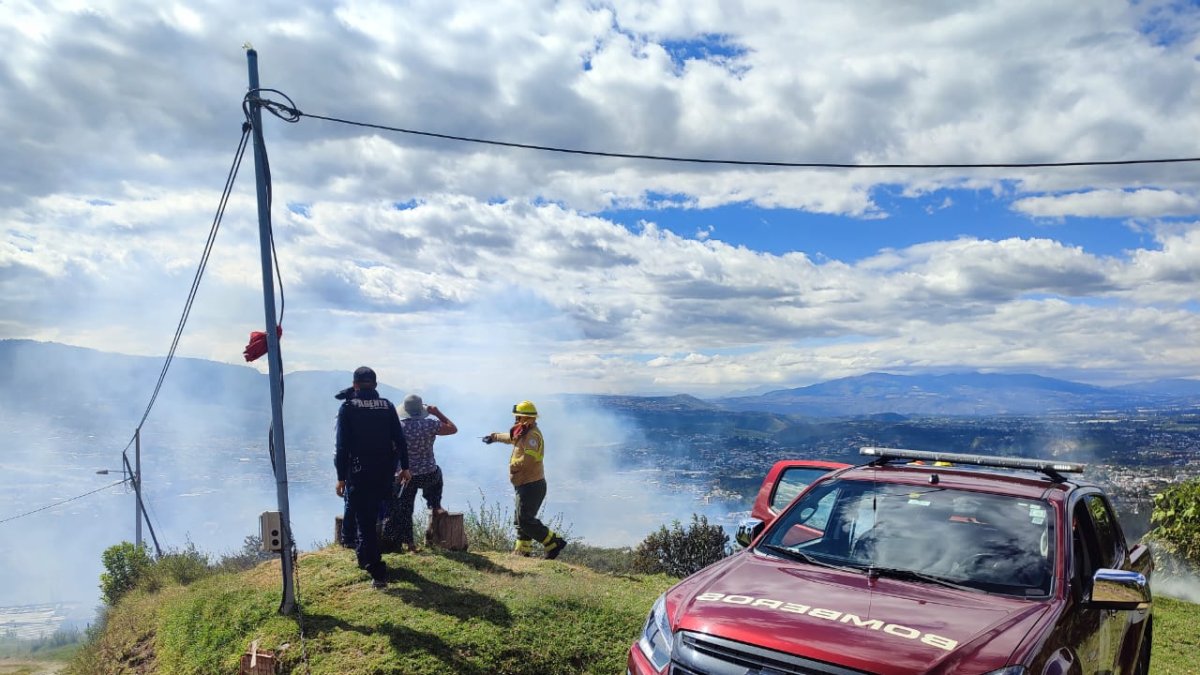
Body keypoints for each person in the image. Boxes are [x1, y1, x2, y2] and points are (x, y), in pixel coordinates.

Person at [334, 366, 410, 588]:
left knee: (365, 521)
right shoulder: (387, 406)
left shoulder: (348, 408)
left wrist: (341, 477)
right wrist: (404, 467)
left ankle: (377, 571)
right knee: (372, 516)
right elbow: (400, 439)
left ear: (355, 384)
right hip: (384, 472)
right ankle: (364, 557)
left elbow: (342, 447)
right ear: (375, 385)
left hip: (359, 473)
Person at [482, 400, 567, 559]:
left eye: (518, 417)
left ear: (527, 418)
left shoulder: (532, 436)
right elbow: (511, 437)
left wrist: (512, 465)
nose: (516, 420)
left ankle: (553, 542)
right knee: (520, 519)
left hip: (532, 484)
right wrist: (493, 437)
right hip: (524, 483)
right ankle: (522, 551)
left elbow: (528, 459)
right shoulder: (524, 432)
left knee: (525, 520)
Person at [382, 394, 457, 553]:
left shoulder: (398, 427)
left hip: (405, 476)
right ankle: (435, 505)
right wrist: (437, 412)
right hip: (428, 473)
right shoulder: (430, 424)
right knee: (438, 475)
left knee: (405, 510)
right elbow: (452, 428)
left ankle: (410, 545)